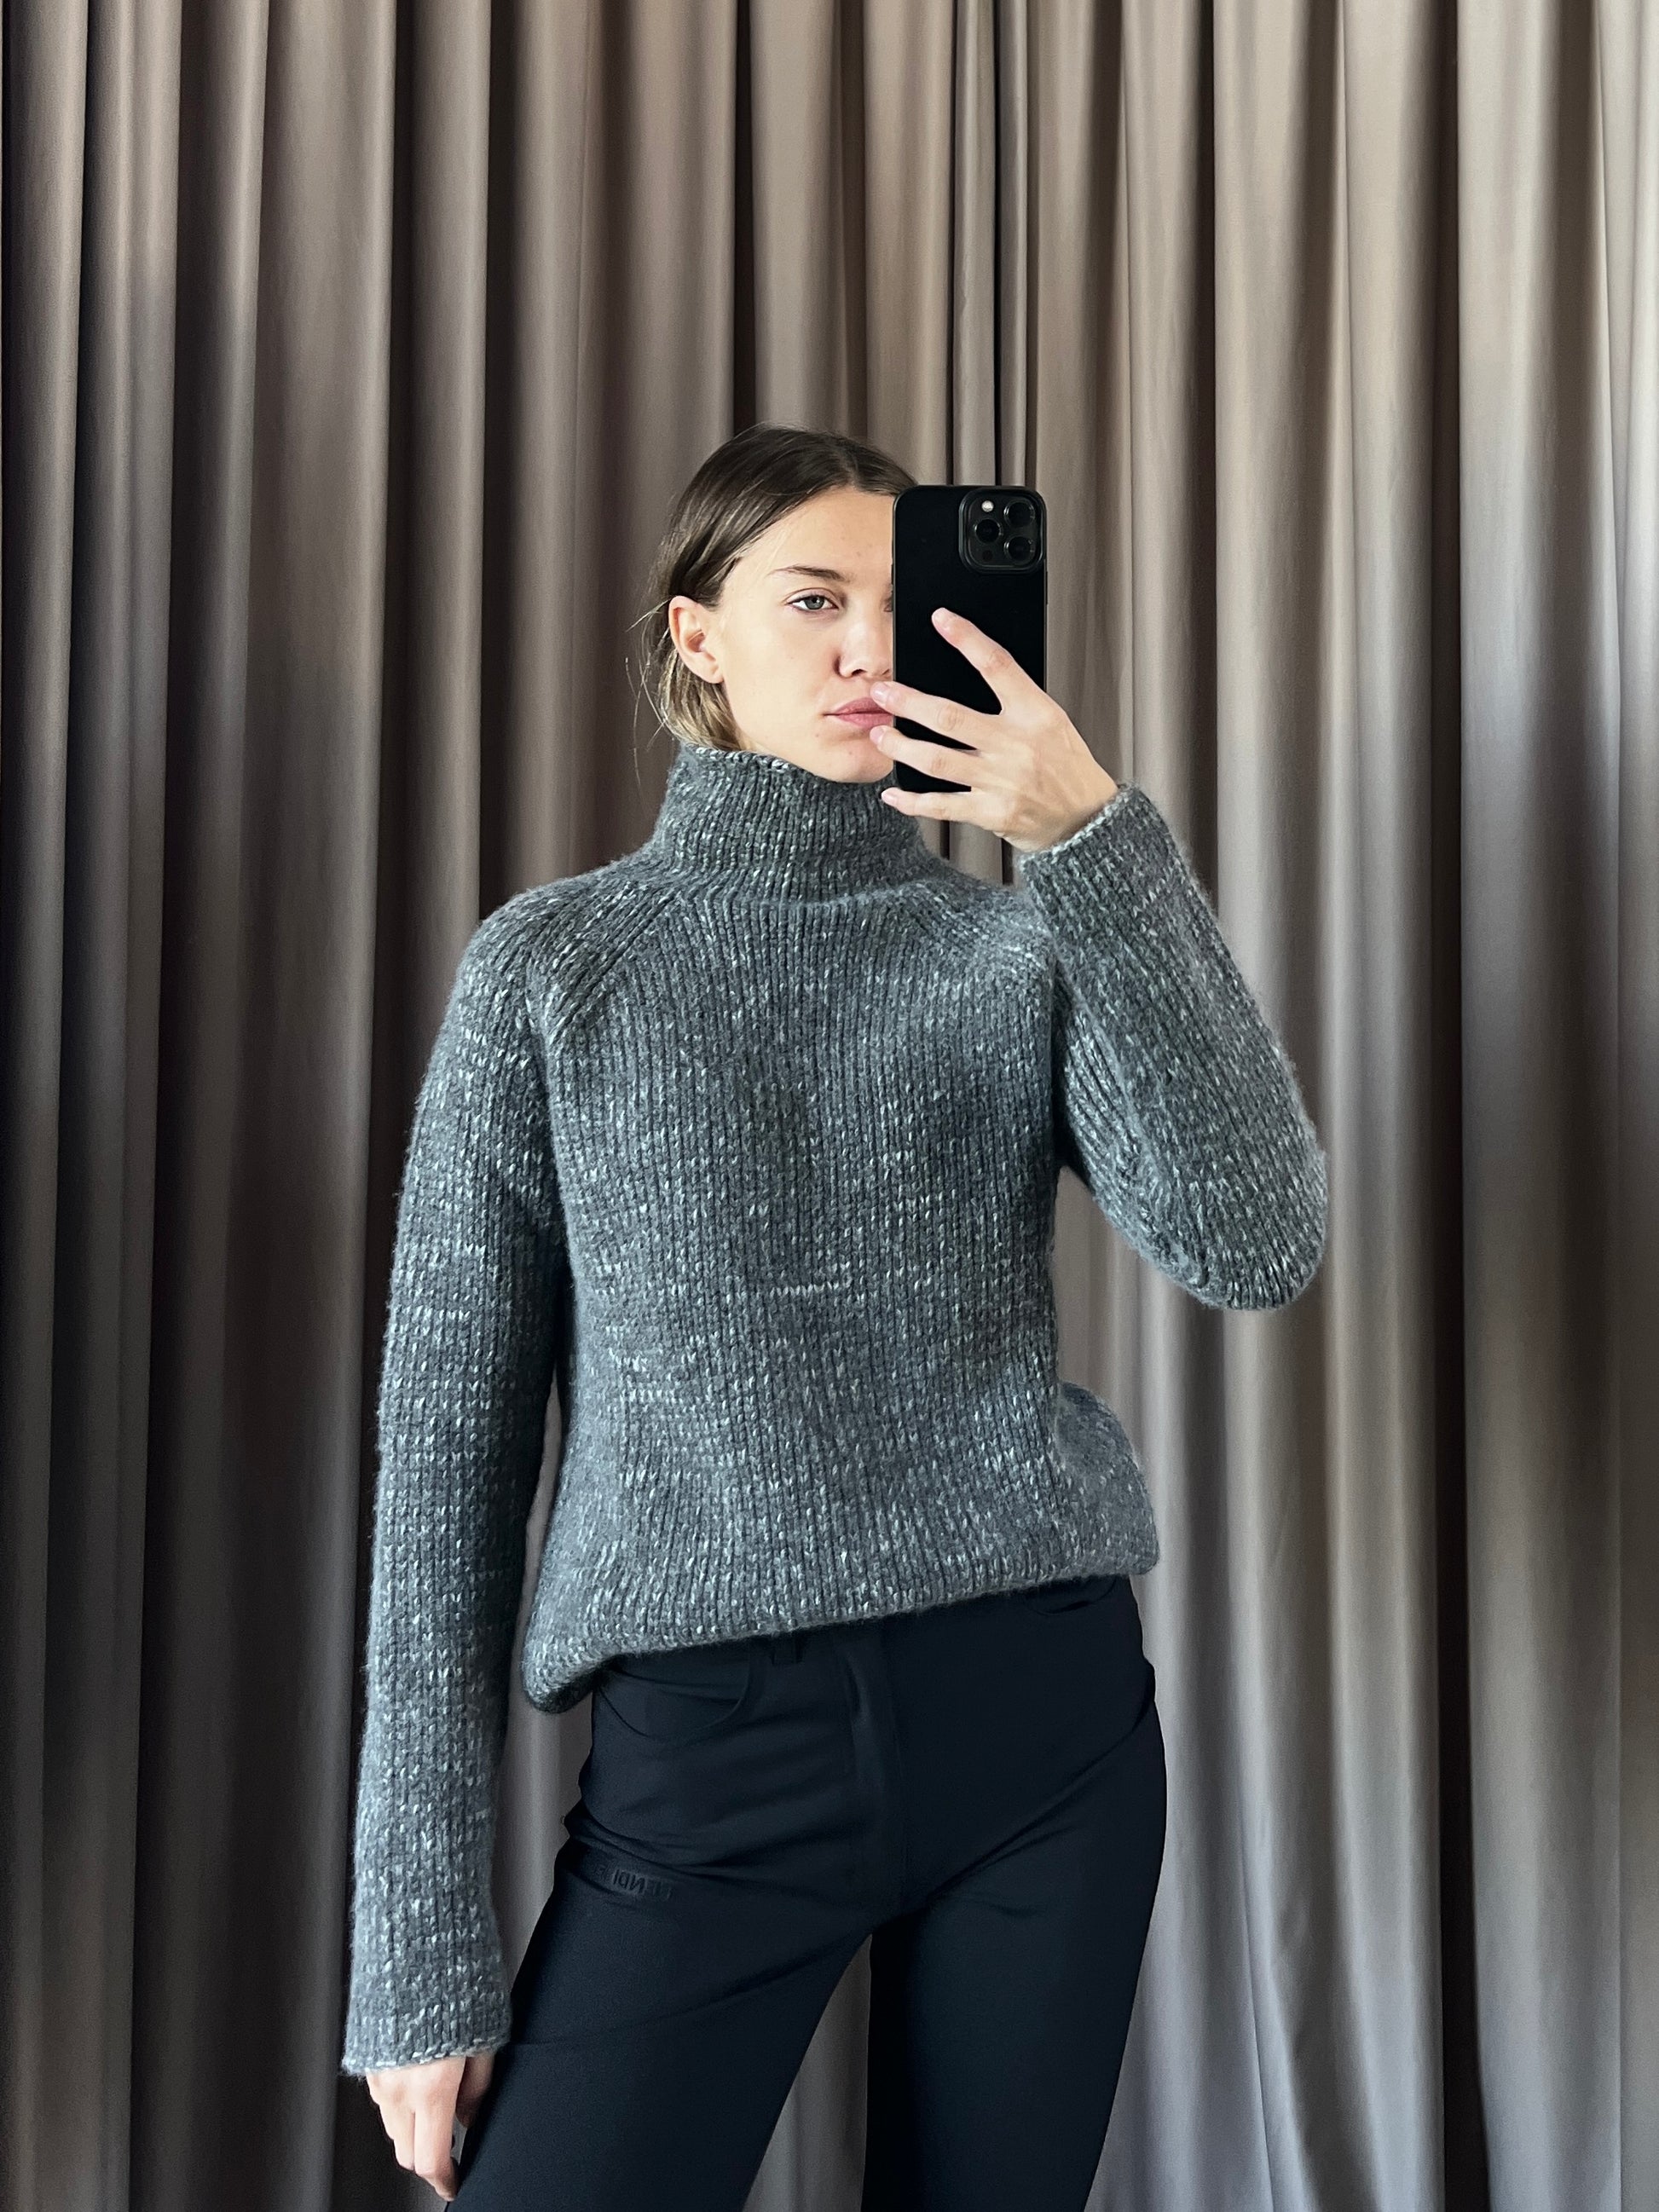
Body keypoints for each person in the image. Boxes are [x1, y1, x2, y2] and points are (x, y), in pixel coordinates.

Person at [339, 423, 1328, 2207]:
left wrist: (1090, 840)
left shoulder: (1016, 947)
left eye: (902, 600)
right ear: (697, 635)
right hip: (716, 1754)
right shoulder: (553, 967)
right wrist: (416, 1951)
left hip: (1042, 1728)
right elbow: (445, 1469)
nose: (871, 645)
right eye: (813, 600)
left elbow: (1255, 1242)